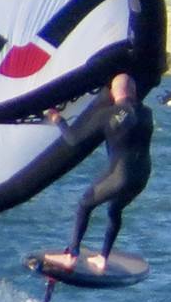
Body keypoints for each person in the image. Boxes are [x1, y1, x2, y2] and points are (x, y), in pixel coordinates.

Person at [39, 71, 152, 275]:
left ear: (113, 93)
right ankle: (103, 258)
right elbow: (127, 117)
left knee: (85, 204)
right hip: (142, 177)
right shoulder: (147, 113)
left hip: (120, 175)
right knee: (115, 210)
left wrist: (57, 118)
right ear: (134, 91)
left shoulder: (108, 115)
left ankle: (71, 256)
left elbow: (73, 139)